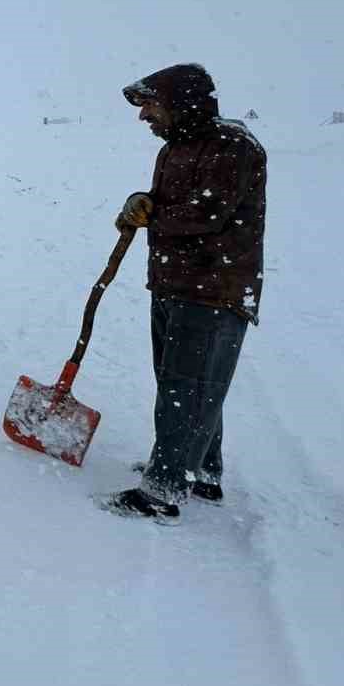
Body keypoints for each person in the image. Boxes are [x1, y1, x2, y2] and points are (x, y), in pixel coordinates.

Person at [105, 64, 267, 520]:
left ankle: (163, 490)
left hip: (214, 288)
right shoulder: (178, 147)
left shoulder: (230, 146)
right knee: (189, 385)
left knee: (188, 387)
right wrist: (146, 202)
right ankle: (200, 472)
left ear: (181, 103)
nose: (144, 117)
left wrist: (152, 218)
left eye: (151, 106)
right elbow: (177, 203)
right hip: (178, 283)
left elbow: (207, 214)